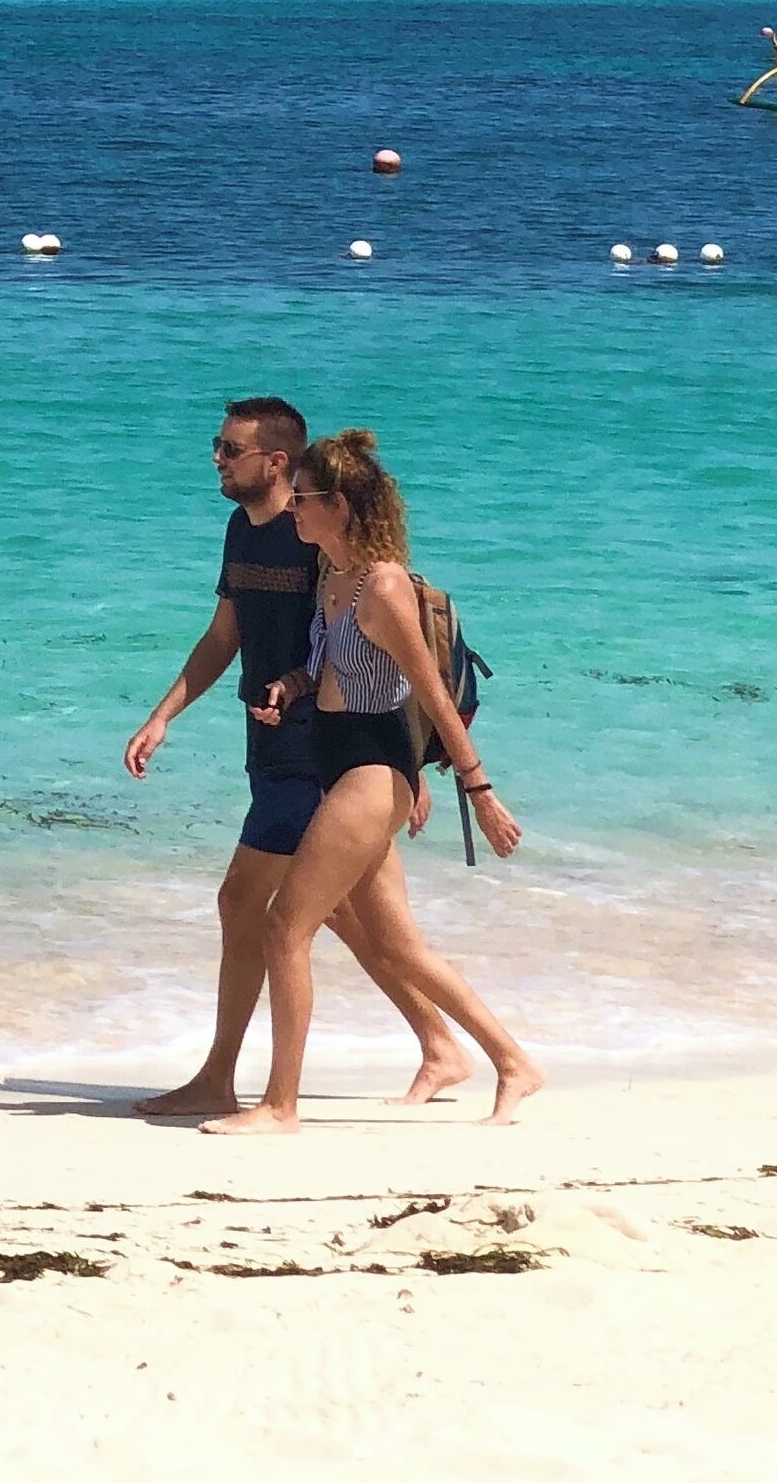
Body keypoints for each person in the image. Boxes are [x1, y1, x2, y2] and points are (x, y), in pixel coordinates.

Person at [122, 397, 466, 1117]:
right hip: (269, 740)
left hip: (321, 748)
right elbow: (225, 636)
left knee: (249, 902)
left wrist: (410, 764)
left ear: (275, 462)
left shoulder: (312, 529)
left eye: (229, 449)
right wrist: (163, 716)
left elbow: (389, 644)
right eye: (216, 445)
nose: (216, 458)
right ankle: (449, 1046)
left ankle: (234, 1083)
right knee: (345, 916)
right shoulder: (239, 533)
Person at [205, 428, 536, 1132]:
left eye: (305, 499)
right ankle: (512, 1063)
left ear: (344, 504)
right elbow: (333, 669)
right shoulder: (333, 576)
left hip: (372, 772)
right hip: (334, 763)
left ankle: (280, 1106)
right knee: (396, 945)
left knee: (284, 928)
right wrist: (292, 685)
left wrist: (479, 793)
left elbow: (431, 694)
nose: (293, 509)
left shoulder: (385, 587)